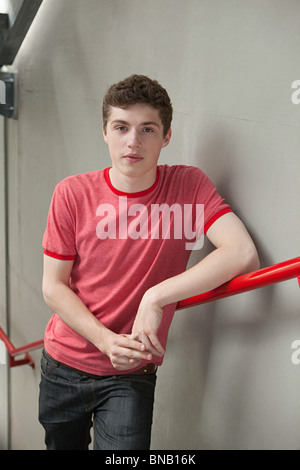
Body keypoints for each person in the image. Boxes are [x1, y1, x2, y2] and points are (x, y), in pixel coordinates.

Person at [39, 74, 259, 450]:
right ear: (104, 132)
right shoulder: (72, 193)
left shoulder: (187, 186)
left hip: (131, 374)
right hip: (62, 365)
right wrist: (106, 340)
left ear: (167, 136)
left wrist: (155, 296)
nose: (133, 142)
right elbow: (53, 286)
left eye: (148, 129)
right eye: (121, 127)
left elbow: (242, 254)